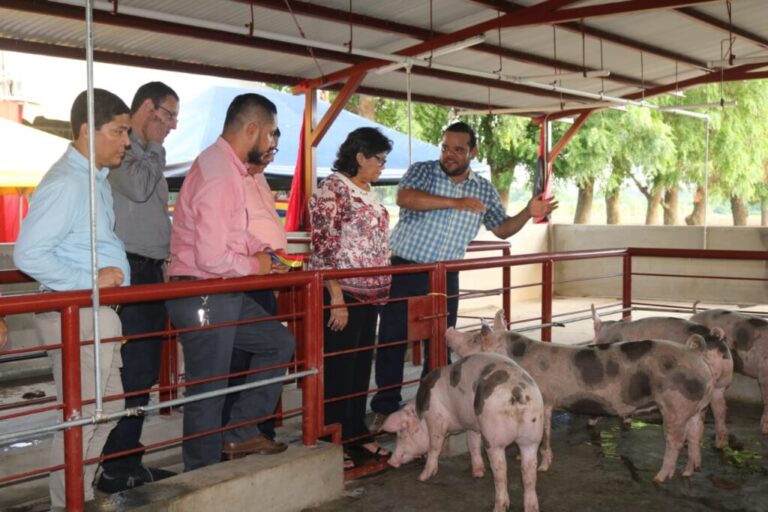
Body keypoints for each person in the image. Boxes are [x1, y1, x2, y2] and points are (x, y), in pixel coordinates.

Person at [369, 121, 558, 429]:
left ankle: (433, 404)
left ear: (473, 152)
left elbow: (502, 228)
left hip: (446, 275)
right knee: (393, 337)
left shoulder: (482, 189)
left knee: (441, 340)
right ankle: (385, 407)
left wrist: (528, 211)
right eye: (445, 147)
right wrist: (455, 203)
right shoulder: (423, 171)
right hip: (407, 267)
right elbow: (405, 198)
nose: (450, 155)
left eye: (458, 149)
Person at [13, 89, 131, 509]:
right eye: (118, 131)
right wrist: (91, 280)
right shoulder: (67, 183)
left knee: (108, 408)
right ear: (87, 130)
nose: (126, 141)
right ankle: (68, 504)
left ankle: (75, 496)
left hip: (93, 313)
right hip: (80, 313)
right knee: (82, 418)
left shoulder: (93, 181)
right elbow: (28, 254)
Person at [165, 93, 295, 471]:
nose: (272, 143)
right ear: (251, 129)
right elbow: (211, 257)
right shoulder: (221, 174)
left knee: (278, 342)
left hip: (222, 290)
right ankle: (200, 476)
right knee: (208, 389)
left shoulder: (229, 167)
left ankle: (239, 429)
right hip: (204, 292)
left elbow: (236, 235)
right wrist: (256, 266)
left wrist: (267, 254)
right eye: (271, 135)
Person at [96, 81, 179, 493]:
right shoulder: (125, 154)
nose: (172, 126)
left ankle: (126, 460)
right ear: (148, 108)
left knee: (142, 372)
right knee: (131, 372)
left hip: (149, 271)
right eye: (168, 116)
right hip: (128, 269)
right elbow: (141, 188)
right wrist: (153, 148)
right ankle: (115, 467)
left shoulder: (141, 155)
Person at [308, 127, 393, 469]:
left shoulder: (367, 190)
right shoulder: (331, 190)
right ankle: (332, 437)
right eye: (379, 160)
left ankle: (356, 432)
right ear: (360, 157)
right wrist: (336, 297)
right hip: (344, 292)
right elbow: (324, 247)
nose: (382, 167)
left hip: (371, 293)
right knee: (340, 367)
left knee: (359, 368)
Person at [222, 128, 284, 440]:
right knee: (240, 358)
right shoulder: (230, 178)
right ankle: (234, 432)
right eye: (268, 150)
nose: (271, 156)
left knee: (267, 352)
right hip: (242, 275)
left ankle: (259, 428)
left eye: (274, 151)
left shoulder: (259, 179)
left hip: (263, 274)